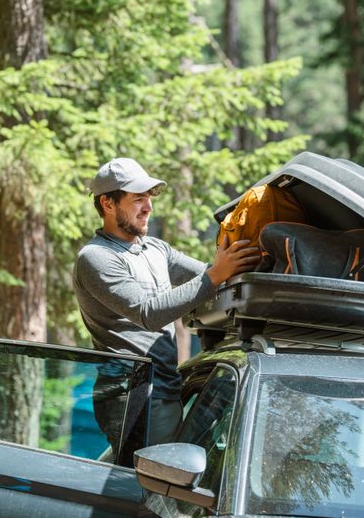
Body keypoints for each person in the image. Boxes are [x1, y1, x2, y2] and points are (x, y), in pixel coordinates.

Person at [73, 157, 259, 449]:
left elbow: (213, 276)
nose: (148, 207)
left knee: (161, 478)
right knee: (152, 487)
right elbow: (148, 314)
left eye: (148, 198)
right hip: (133, 395)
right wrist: (214, 276)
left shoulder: (156, 249)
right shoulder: (96, 257)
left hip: (164, 388)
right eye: (138, 199)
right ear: (108, 204)